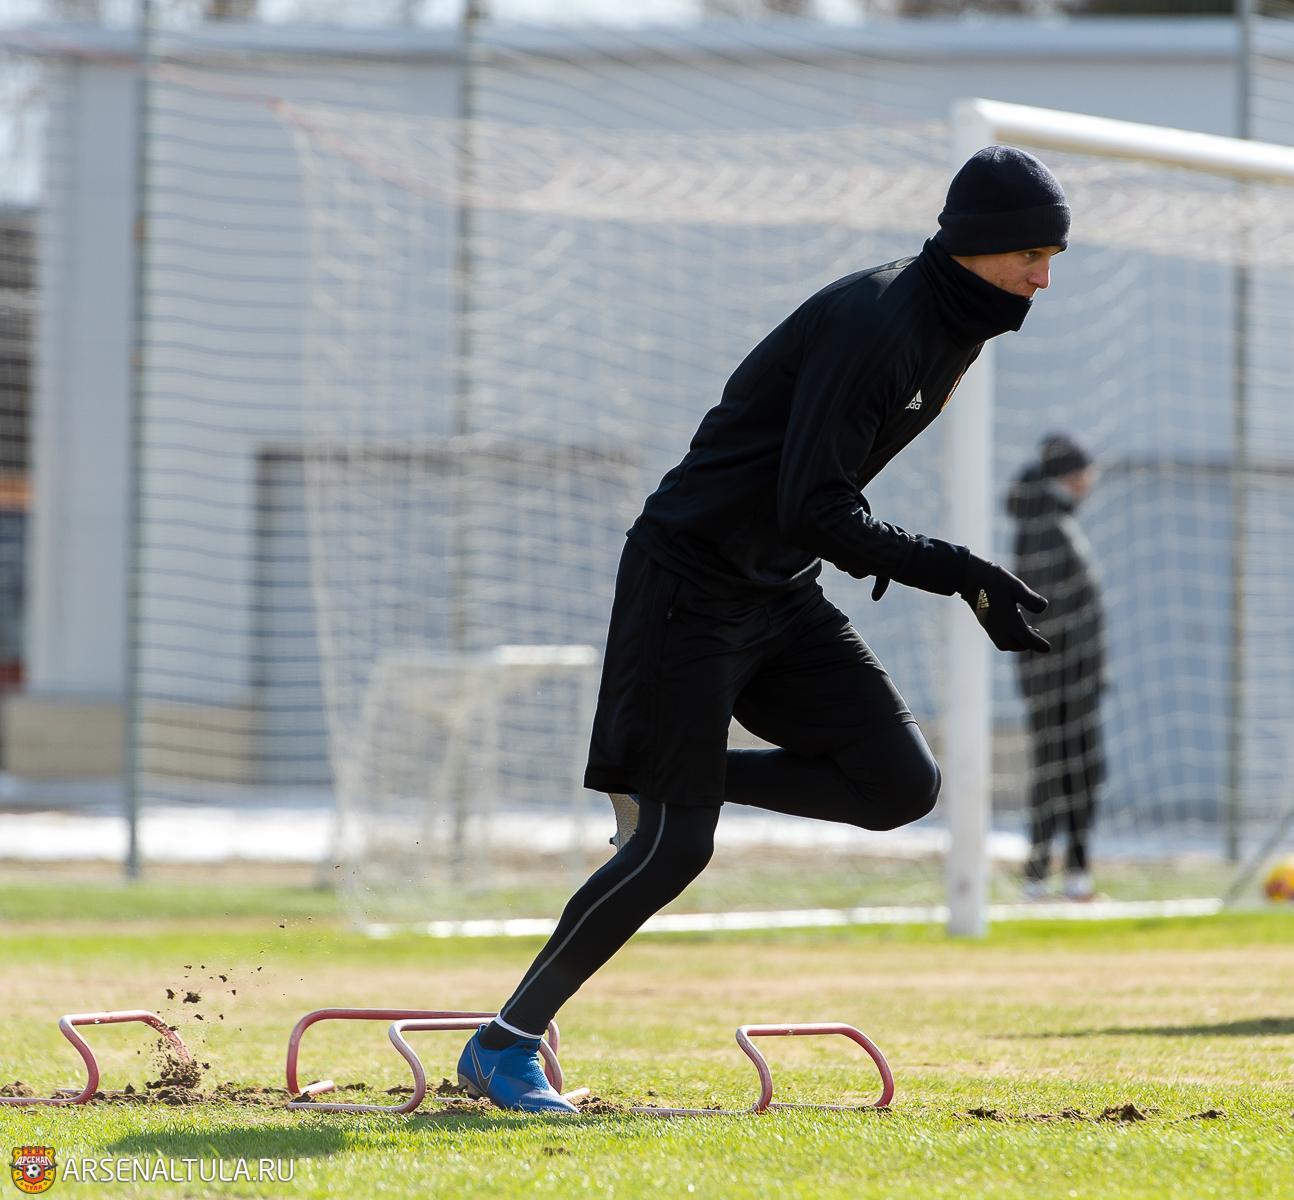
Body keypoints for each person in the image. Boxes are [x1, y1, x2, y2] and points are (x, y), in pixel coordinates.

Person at [455, 146, 1069, 1111]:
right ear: (978, 245)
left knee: (899, 784)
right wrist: (959, 573)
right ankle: (504, 1044)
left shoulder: (960, 326)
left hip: (777, 591)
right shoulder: (880, 323)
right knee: (675, 849)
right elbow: (814, 506)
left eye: (1053, 258)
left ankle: (669, 774)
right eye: (1031, 254)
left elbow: (808, 517)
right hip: (689, 583)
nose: (1043, 279)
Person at [1006, 433, 1107, 901]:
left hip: (1069, 677)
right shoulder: (1046, 527)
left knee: (1074, 770)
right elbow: (1047, 612)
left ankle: (1066, 874)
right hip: (1061, 678)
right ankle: (1045, 876)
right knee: (1065, 770)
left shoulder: (1050, 521)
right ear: (1073, 476)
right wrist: (1078, 669)